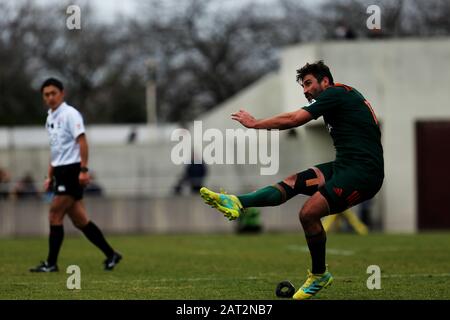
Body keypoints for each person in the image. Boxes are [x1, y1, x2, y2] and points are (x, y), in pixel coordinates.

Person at [200, 61, 384, 300]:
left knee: (308, 214)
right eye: (303, 86)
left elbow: (294, 119)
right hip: (345, 166)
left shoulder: (336, 93)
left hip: (363, 173)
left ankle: (320, 275)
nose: (305, 90)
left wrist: (255, 123)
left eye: (308, 83)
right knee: (292, 182)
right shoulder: (339, 98)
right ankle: (236, 201)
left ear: (325, 81)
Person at [30, 78, 122, 273]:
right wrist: (49, 176)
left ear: (62, 93)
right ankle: (111, 254)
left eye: (53, 93)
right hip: (60, 171)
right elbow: (55, 150)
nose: (50, 97)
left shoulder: (70, 114)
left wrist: (83, 170)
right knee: (80, 221)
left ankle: (51, 263)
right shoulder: (50, 118)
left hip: (72, 170)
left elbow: (82, 142)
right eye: (46, 95)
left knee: (55, 213)